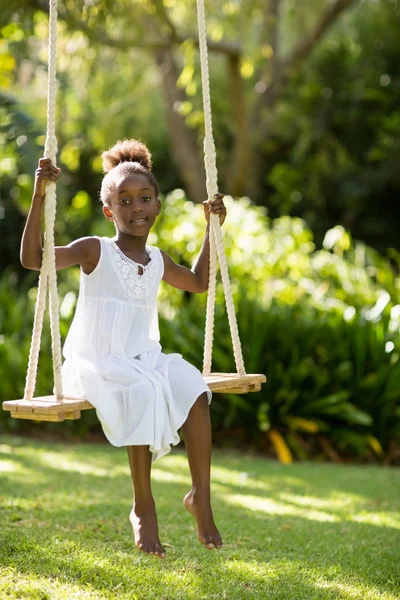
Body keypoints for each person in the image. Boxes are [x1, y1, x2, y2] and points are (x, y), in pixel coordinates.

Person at [20, 139, 226, 559]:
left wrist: (212, 228)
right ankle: (143, 505)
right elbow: (32, 259)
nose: (137, 208)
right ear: (109, 211)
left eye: (145, 199)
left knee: (193, 387)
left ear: (157, 206)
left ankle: (200, 496)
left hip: (142, 355)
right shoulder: (95, 249)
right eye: (125, 200)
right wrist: (40, 196)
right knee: (142, 391)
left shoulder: (157, 259)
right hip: (97, 359)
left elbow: (201, 283)